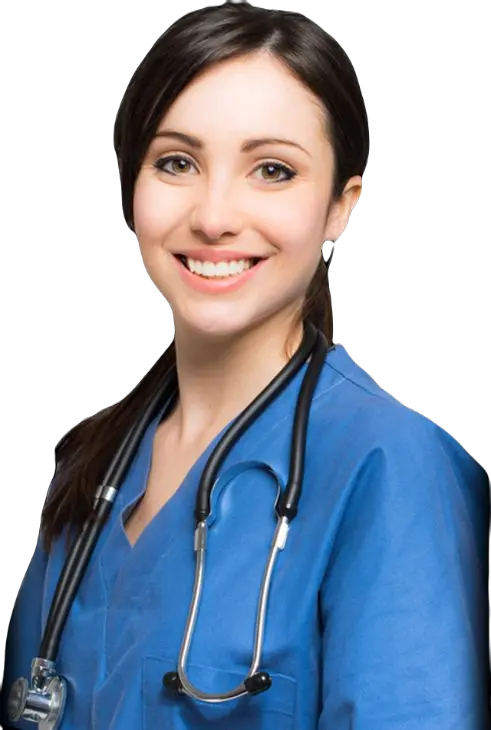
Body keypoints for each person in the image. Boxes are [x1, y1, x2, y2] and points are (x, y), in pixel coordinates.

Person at [3, 1, 488, 728]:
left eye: (272, 170)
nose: (214, 215)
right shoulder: (91, 468)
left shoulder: (391, 469)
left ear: (341, 206)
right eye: (176, 162)